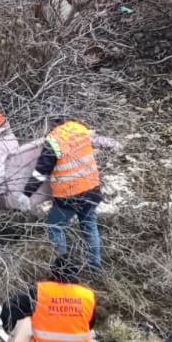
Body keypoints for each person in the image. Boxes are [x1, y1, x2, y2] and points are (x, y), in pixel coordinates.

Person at [22, 113, 101, 271]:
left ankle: (62, 265)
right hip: (91, 189)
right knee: (89, 226)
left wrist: (26, 194)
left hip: (69, 195)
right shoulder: (80, 129)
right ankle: (95, 266)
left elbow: (40, 171)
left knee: (54, 225)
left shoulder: (54, 140)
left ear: (52, 123)